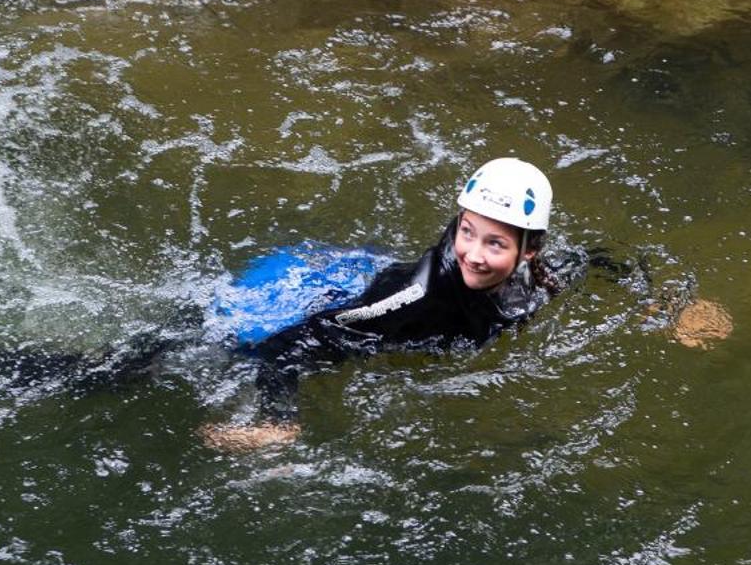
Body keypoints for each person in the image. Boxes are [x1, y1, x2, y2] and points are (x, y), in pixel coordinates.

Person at [202, 156, 561, 451]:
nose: (474, 254)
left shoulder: (532, 283)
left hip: (370, 277)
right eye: (467, 232)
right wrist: (279, 421)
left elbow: (575, 264)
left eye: (495, 244)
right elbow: (290, 343)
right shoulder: (416, 294)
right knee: (213, 344)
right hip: (312, 294)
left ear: (529, 251)